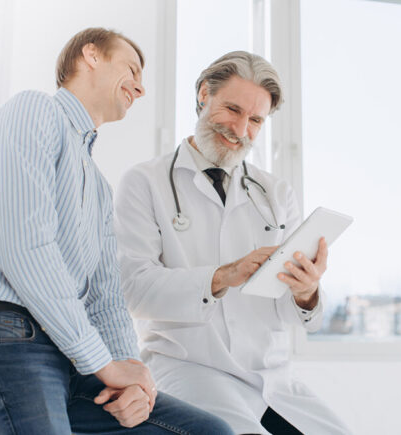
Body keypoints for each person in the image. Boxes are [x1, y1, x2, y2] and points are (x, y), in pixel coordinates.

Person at [0, 27, 233, 434]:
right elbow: (26, 252)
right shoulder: (33, 112)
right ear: (90, 55)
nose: (140, 89)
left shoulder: (100, 190)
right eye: (132, 69)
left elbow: (106, 298)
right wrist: (103, 363)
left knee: (209, 432)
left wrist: (132, 378)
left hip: (66, 355)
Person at [113, 51, 351, 435]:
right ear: (204, 94)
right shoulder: (145, 182)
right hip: (191, 369)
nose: (240, 129)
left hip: (271, 376)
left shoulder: (276, 193)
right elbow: (133, 290)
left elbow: (291, 313)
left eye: (256, 120)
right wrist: (222, 276)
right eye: (232, 109)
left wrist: (306, 292)